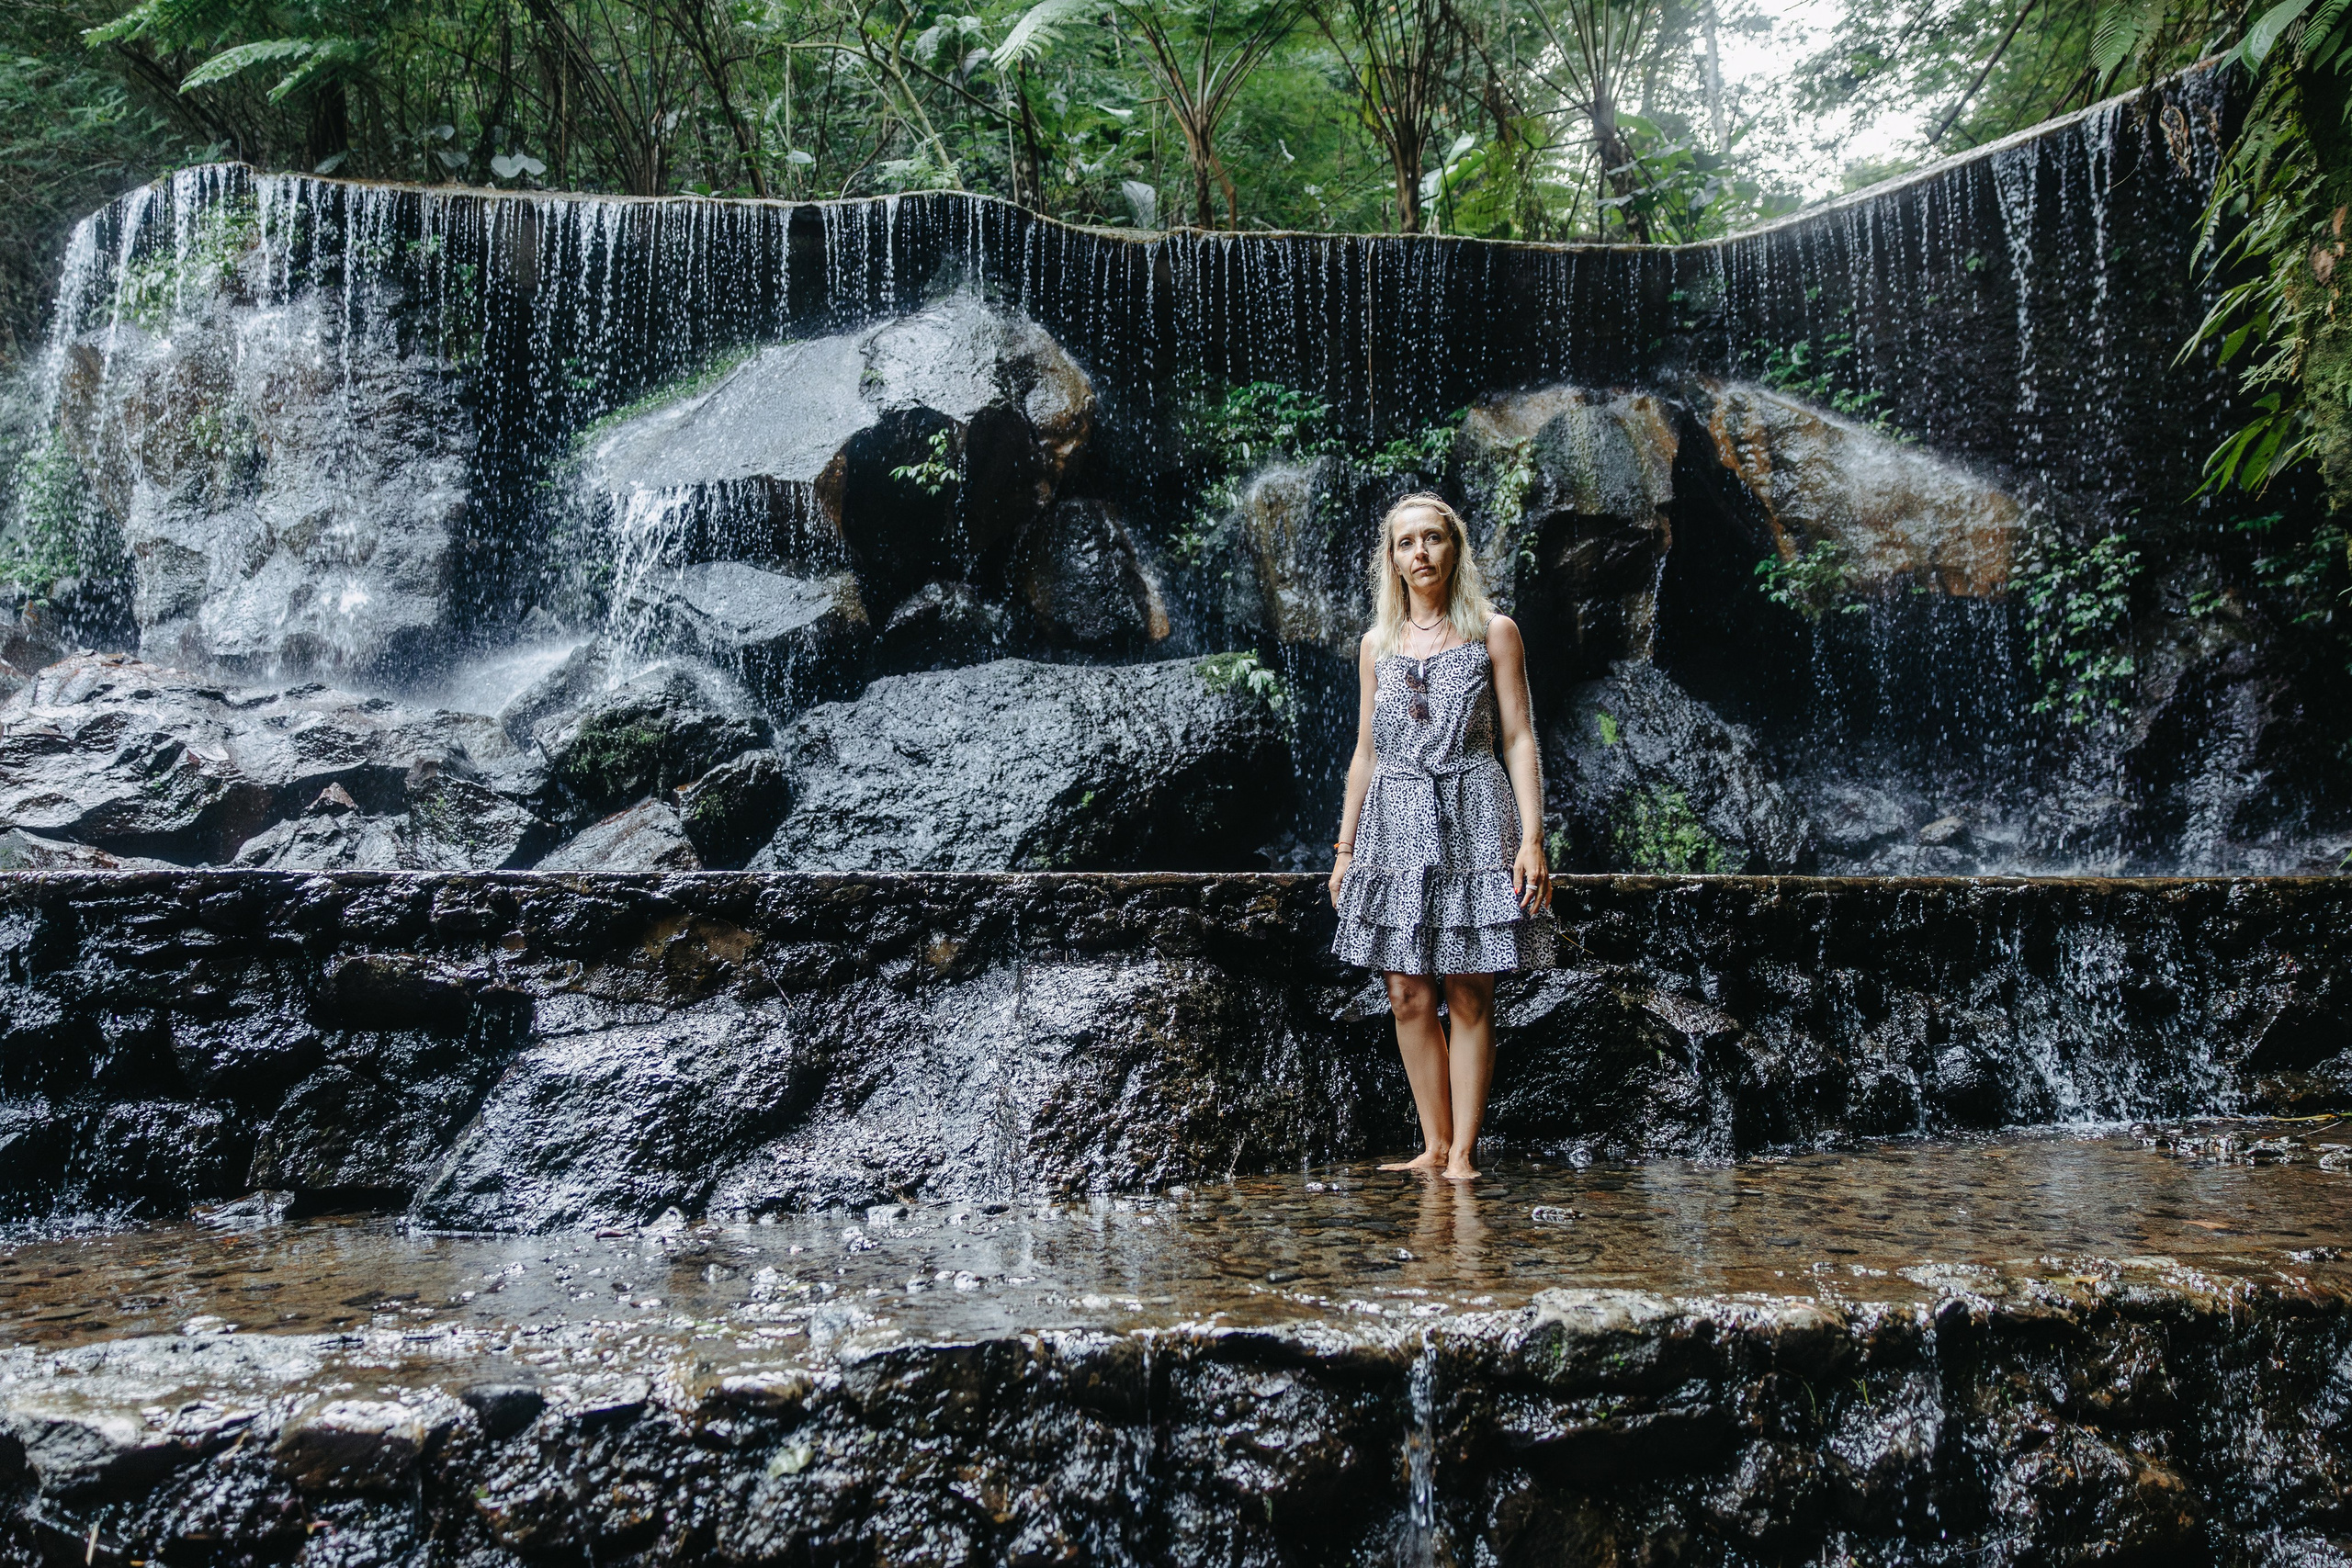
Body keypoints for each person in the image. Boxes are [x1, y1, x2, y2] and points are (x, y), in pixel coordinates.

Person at [1328, 492, 1556, 1181]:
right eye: (1406, 542)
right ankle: (1433, 1143)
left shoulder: (1494, 632)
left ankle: (1463, 1153)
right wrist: (1345, 849)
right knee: (1406, 991)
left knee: (1469, 990)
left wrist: (1532, 838)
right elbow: (1365, 751)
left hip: (1474, 810)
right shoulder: (1376, 645)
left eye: (1433, 537)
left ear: (1454, 548)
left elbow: (1518, 738)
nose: (1420, 551)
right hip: (1394, 817)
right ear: (1392, 560)